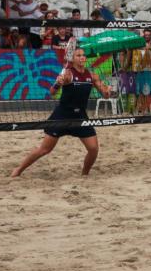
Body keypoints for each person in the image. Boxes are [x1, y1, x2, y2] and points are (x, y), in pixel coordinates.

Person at [12, 47, 113, 177]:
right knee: (44, 150)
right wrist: (58, 83)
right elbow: (52, 92)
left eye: (83, 55)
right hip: (62, 116)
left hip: (80, 117)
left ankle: (84, 175)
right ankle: (19, 169)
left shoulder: (92, 75)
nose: (82, 57)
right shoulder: (68, 74)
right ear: (72, 59)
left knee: (93, 149)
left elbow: (105, 95)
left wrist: (108, 91)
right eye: (78, 55)